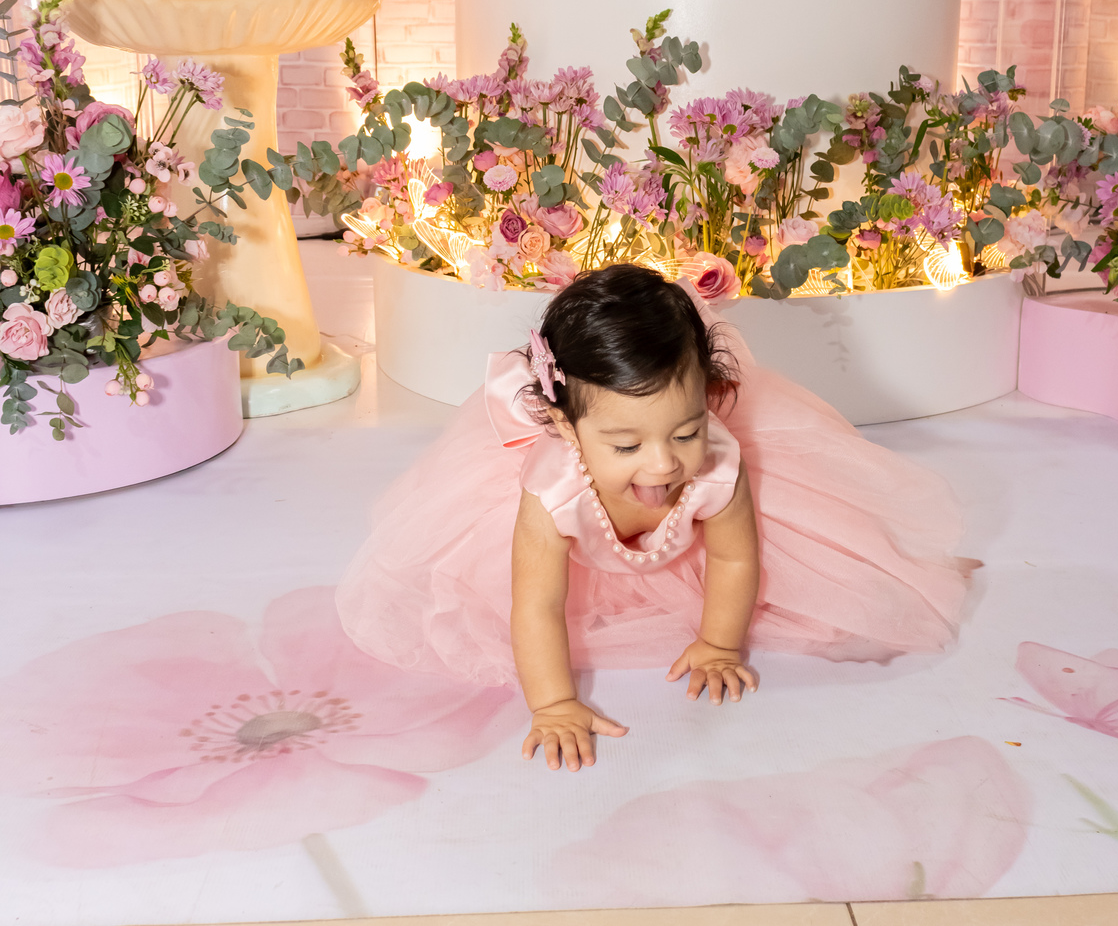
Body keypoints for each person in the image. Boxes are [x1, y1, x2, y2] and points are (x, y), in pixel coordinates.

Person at [337, 264, 975, 772]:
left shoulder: (716, 464)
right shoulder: (551, 491)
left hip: (681, 538)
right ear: (567, 426)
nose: (664, 464)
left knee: (840, 590)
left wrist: (720, 643)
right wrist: (553, 704)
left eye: (686, 430)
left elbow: (734, 556)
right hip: (575, 524)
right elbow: (537, 606)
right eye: (626, 445)